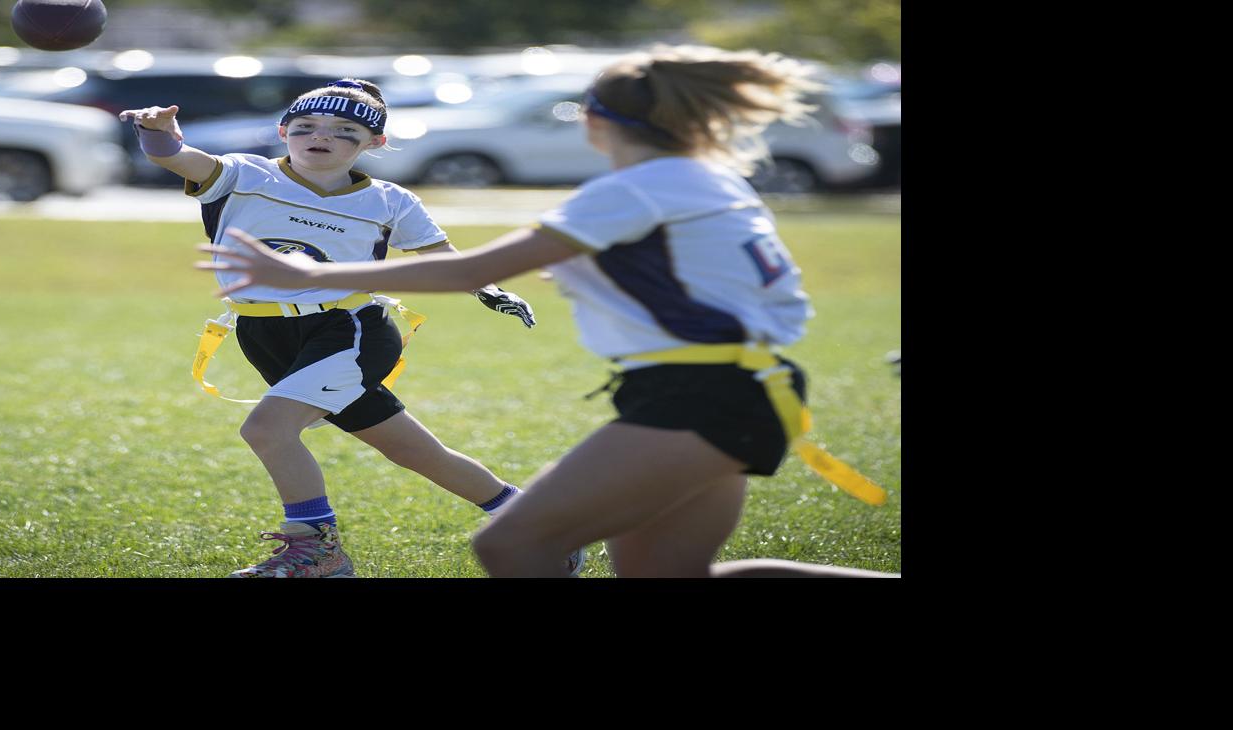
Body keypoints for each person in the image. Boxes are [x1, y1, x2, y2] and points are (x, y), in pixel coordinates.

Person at [198, 47, 824, 578]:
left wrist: (313, 275)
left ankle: (319, 551)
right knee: (662, 570)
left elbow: (469, 271)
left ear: (593, 121)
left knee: (512, 544)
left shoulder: (630, 190)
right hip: (734, 384)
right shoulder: (709, 179)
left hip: (701, 393)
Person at [121, 79, 585, 578]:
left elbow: (442, 257)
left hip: (348, 329)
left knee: (267, 429)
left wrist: (488, 288)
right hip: (263, 333)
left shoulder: (389, 200)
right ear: (283, 131)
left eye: (345, 130)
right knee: (412, 450)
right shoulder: (243, 173)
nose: (321, 136)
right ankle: (539, 524)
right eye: (306, 126)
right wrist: (157, 129)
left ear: (374, 142)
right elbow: (173, 156)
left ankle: (318, 551)